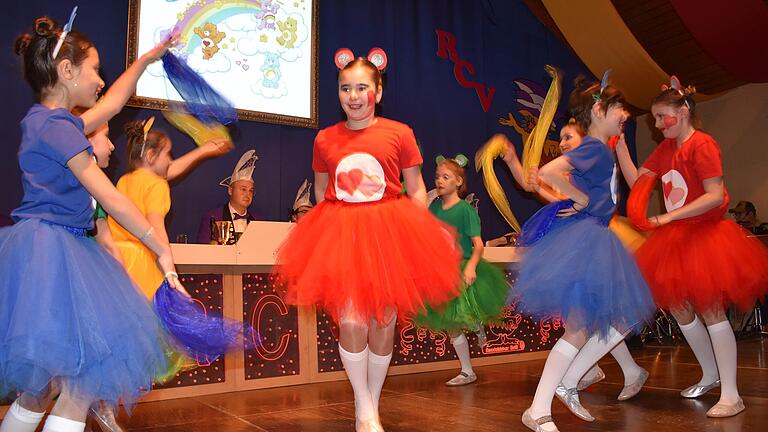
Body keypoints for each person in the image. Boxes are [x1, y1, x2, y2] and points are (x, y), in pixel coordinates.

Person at [0, 14, 186, 432]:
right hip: (56, 254)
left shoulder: (47, 122)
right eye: (95, 69)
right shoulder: (57, 127)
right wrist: (158, 247)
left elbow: (114, 103)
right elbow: (110, 197)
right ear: (67, 71)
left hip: (55, 251)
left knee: (40, 388)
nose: (101, 80)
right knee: (81, 383)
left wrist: (146, 60)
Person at [274, 48, 461, 432]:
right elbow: (322, 193)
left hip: (388, 234)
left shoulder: (400, 133)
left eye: (362, 87)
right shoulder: (325, 139)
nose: (354, 96)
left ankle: (371, 401)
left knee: (384, 322)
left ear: (378, 90)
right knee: (352, 320)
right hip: (341, 234)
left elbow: (415, 189)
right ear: (338, 92)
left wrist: (426, 230)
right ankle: (363, 407)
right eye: (346, 88)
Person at [617, 77, 768, 418]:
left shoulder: (703, 144)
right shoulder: (666, 148)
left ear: (683, 112)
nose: (657, 126)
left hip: (707, 234)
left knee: (711, 310)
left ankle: (732, 394)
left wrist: (668, 219)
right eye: (654, 119)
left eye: (661, 117)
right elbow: (637, 183)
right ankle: (710, 373)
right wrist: (620, 146)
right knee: (680, 309)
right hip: (677, 237)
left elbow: (714, 195)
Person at [514, 76, 655, 432]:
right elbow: (550, 171)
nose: (625, 114)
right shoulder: (593, 147)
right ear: (598, 110)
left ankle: (555, 394)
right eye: (620, 108)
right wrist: (578, 199)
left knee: (608, 320)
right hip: (588, 238)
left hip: (597, 236)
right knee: (582, 327)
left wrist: (579, 196)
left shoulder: (602, 148)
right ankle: (541, 406)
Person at [108, 120, 229, 298]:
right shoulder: (157, 185)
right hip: (143, 263)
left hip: (116, 260)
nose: (170, 160)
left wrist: (203, 150)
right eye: (167, 154)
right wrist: (169, 265)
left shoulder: (124, 180)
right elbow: (155, 226)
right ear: (150, 156)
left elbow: (166, 170)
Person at [414, 158, 508, 386]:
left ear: (458, 181)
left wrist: (471, 266)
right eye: (437, 176)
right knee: (450, 324)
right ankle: (467, 370)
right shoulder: (434, 207)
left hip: (460, 267)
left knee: (461, 311)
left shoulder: (464, 210)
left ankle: (475, 324)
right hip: (440, 270)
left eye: (445, 177)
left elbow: (478, 244)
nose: (439, 180)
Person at [196, 150, 258, 243]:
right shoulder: (213, 217)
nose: (248, 194)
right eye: (243, 189)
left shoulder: (258, 220)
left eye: (251, 191)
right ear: (230, 190)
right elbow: (202, 249)